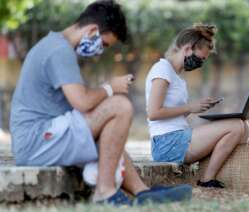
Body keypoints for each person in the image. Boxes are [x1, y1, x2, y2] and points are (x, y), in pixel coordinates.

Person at [10, 0, 191, 205]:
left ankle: (143, 193)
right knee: (120, 106)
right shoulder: (59, 51)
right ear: (92, 29)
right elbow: (83, 102)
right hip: (36, 141)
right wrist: (110, 88)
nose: (101, 51)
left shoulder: (56, 46)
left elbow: (83, 104)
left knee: (110, 132)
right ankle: (104, 192)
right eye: (104, 44)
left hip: (44, 136)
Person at [145, 24, 249, 188]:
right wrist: (190, 107)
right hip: (166, 143)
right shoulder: (162, 69)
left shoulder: (176, 77)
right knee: (236, 126)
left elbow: (174, 115)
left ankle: (208, 178)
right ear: (187, 48)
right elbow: (153, 113)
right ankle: (207, 179)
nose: (200, 63)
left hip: (177, 137)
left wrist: (199, 108)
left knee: (243, 126)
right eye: (201, 58)